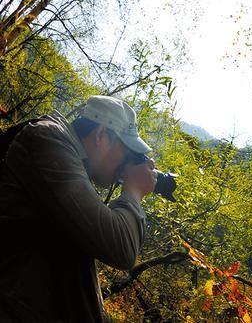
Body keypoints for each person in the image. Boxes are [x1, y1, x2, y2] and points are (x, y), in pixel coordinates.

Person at [0, 95, 158, 322]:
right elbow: (121, 250)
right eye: (126, 153)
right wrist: (133, 192)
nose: (127, 164)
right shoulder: (49, 140)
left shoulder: (71, 158)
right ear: (101, 135)